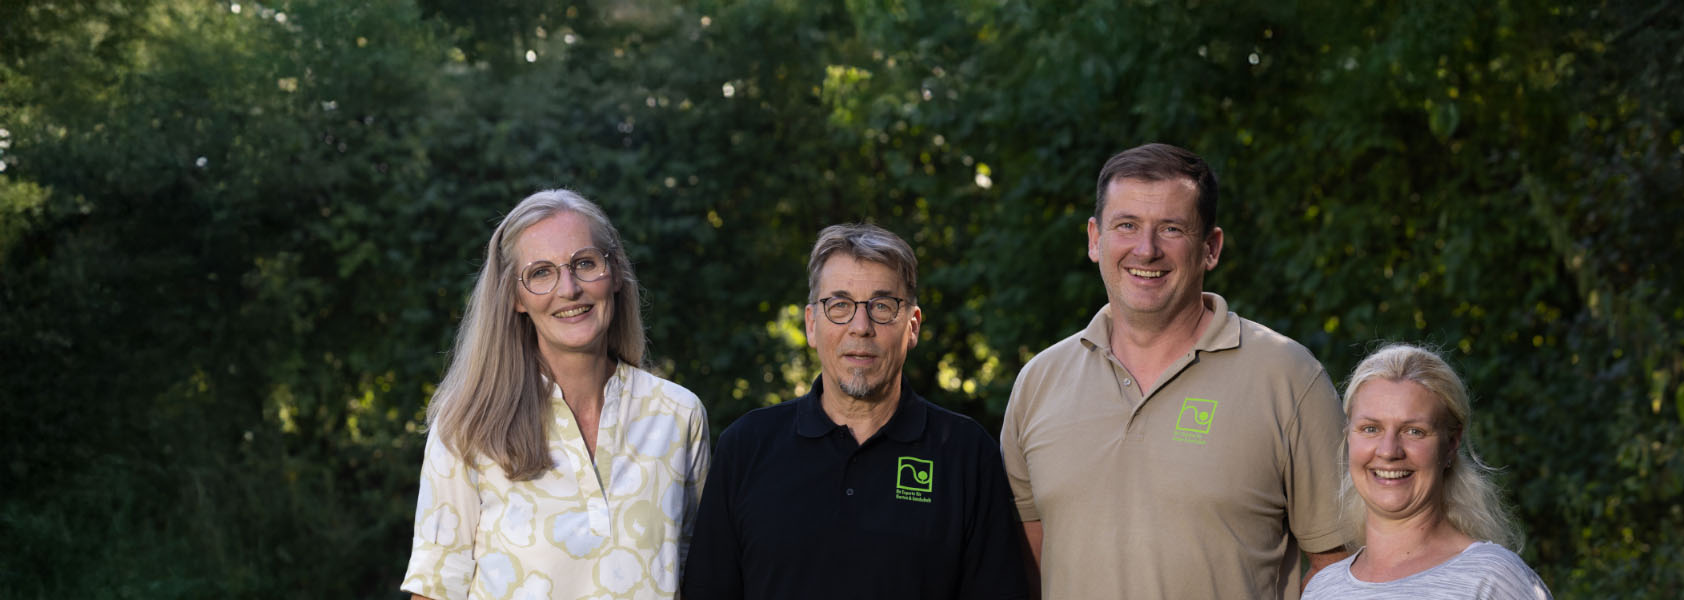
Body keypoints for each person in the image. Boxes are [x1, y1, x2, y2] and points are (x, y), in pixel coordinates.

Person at [1000, 142, 1352, 600]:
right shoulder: (1039, 383)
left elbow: (1340, 569)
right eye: (1127, 225)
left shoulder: (1288, 376)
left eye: (1171, 229)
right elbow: (1028, 565)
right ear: (1094, 238)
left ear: (1210, 248)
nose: (1146, 250)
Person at [682, 223, 1028, 600]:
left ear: (912, 326)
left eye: (882, 306)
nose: (860, 328)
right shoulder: (746, 447)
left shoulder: (966, 454)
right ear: (811, 325)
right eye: (840, 306)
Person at [401, 190, 711, 600]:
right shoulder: (467, 426)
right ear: (515, 297)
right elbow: (435, 591)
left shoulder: (678, 414)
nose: (569, 289)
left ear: (616, 272)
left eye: (585, 263)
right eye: (541, 272)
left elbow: (701, 579)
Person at [1301, 344, 1551, 599]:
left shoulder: (1493, 579)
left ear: (1451, 443)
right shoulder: (1321, 589)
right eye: (1371, 429)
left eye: (1414, 431)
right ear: (1348, 436)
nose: (1388, 451)